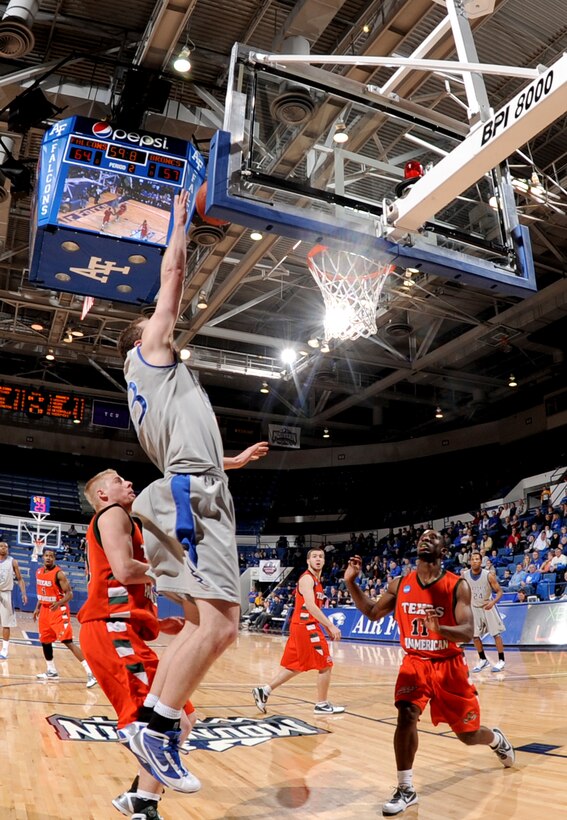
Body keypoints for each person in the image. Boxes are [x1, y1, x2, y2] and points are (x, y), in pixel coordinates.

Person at [116, 190, 269, 792]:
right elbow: (173, 278)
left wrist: (233, 460)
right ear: (141, 338)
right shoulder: (149, 356)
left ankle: (151, 732)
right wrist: (179, 223)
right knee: (223, 627)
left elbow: (191, 452)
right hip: (189, 499)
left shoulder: (170, 384)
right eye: (153, 322)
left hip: (192, 487)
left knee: (205, 625)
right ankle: (154, 731)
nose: (165, 323)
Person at [344, 529, 514, 817]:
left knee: (469, 735)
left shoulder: (457, 585)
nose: (425, 538)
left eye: (433, 536)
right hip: (415, 663)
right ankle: (406, 788)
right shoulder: (401, 583)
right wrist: (351, 583)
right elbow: (373, 612)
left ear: (443, 551)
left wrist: (441, 629)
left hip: (449, 666)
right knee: (406, 714)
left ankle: (495, 739)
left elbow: (468, 630)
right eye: (422, 536)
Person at [80, 468, 198, 819]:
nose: (129, 483)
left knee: (182, 716)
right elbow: (124, 571)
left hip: (124, 631)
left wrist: (158, 622)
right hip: (110, 631)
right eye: (118, 480)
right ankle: (145, 806)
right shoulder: (112, 514)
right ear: (103, 495)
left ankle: (140, 799)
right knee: (153, 724)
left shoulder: (126, 522)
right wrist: (176, 571)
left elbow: (126, 584)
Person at [252, 547, 344, 715]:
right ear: (308, 561)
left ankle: (264, 690)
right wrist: (329, 625)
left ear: (324, 561)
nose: (318, 559)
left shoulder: (317, 581)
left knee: (297, 666)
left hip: (302, 626)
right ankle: (321, 704)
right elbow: (310, 606)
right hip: (306, 626)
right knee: (326, 664)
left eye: (321, 557)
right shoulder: (307, 579)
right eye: (314, 556)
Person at [33, 548, 97, 688]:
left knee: (67, 641)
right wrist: (37, 608)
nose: (48, 558)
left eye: (51, 556)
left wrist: (59, 603)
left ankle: (90, 672)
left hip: (58, 610)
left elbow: (69, 594)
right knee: (45, 641)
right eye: (46, 555)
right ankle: (51, 670)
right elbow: (41, 592)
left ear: (54, 558)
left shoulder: (59, 574)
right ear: (42, 557)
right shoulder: (38, 572)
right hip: (45, 610)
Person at [462, 552, 506, 672]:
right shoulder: (464, 575)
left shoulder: (488, 575)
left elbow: (500, 592)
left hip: (487, 606)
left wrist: (493, 602)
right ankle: (483, 660)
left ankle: (501, 660)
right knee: (475, 636)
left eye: (477, 559)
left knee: (496, 635)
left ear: (481, 562)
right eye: (473, 559)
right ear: (470, 561)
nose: (475, 561)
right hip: (473, 607)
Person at [0, 541, 27, 659]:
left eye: (5, 546)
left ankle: (4, 650)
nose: (3, 548)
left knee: (6, 624)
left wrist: (24, 593)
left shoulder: (13, 562)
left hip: (6, 594)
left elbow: (20, 579)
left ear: (8, 549)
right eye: (1, 546)